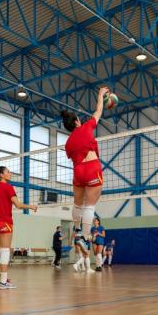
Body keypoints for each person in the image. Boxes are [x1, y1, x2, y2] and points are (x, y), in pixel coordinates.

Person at [61, 86, 109, 253]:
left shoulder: (67, 143)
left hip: (78, 172)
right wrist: (101, 94)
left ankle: (77, 230)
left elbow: (74, 156)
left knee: (77, 204)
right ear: (76, 122)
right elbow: (98, 111)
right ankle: (84, 237)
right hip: (91, 168)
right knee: (89, 206)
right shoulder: (87, 126)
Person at [0, 166, 37, 290]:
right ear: (1, 175)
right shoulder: (8, 187)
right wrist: (31, 206)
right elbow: (18, 205)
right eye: (8, 172)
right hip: (4, 221)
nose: (10, 173)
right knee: (5, 250)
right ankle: (3, 282)